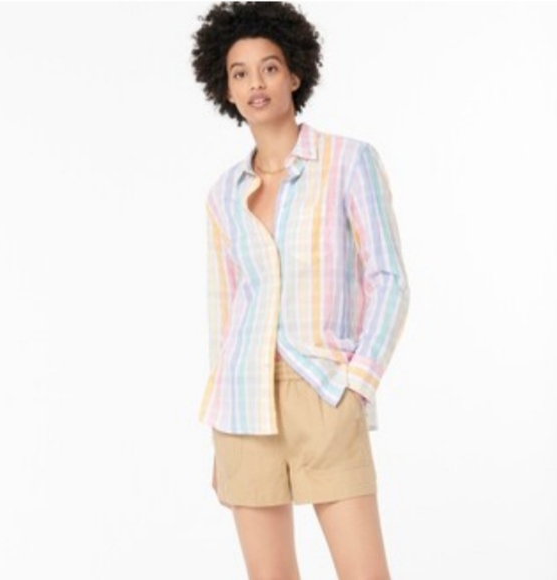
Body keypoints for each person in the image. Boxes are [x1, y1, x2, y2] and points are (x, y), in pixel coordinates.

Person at [191, 3, 410, 578]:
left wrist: (357, 386)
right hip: (243, 404)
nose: (255, 83)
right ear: (226, 88)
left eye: (269, 67)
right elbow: (225, 314)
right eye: (240, 73)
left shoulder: (349, 161)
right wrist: (219, 428)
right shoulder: (223, 194)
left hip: (323, 389)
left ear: (294, 73)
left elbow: (388, 279)